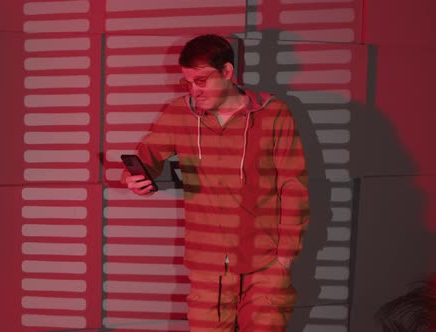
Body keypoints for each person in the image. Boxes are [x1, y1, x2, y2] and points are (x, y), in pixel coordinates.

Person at [121, 34, 310, 331]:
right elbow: (147, 156)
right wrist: (135, 178)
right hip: (207, 266)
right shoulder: (178, 114)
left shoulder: (273, 114)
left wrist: (285, 256)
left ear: (227, 72)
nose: (194, 90)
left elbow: (293, 186)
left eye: (201, 80)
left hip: (264, 263)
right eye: (188, 83)